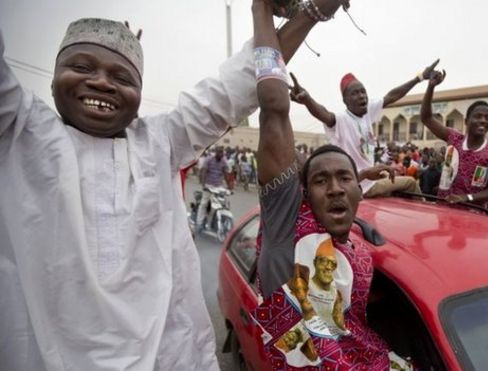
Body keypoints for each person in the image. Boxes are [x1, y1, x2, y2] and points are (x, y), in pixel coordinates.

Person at [0, 3, 341, 369]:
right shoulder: (21, 133)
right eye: (82, 67)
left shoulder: (160, 141)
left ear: (140, 94)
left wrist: (313, 12)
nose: (101, 82)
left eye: (122, 77)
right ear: (51, 80)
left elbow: (247, 83)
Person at [249, 1, 412, 369]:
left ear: (359, 189)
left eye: (345, 179)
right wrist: (261, 9)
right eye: (321, 180)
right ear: (303, 193)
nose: (336, 189)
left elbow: (351, 321)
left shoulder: (360, 251)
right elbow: (274, 107)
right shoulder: (286, 226)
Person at [288, 60, 440, 198]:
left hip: (372, 179)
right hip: (361, 185)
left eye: (363, 91)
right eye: (355, 93)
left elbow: (392, 95)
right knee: (410, 183)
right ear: (345, 100)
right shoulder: (341, 120)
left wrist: (420, 78)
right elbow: (323, 113)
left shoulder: (367, 111)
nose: (361, 96)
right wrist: (307, 100)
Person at [421, 72, 488, 208]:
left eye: (487, 118)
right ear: (467, 121)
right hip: (445, 209)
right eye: (478, 116)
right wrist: (431, 87)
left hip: (474, 215)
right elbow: (426, 118)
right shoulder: (454, 138)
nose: (483, 121)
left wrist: (466, 198)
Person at [196, 149, 231, 230]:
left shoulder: (223, 161)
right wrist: (204, 184)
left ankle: (216, 221)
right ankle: (199, 222)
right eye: (219, 153)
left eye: (222, 153)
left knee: (222, 203)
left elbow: (226, 173)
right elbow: (204, 171)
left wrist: (229, 186)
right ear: (216, 153)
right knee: (204, 203)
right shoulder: (209, 159)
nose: (221, 155)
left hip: (218, 186)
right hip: (209, 185)